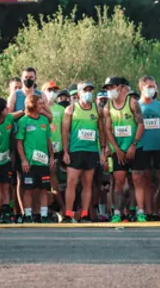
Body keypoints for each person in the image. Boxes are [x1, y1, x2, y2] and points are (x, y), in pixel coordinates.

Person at [62, 81, 106, 222]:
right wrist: (65, 152)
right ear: (79, 93)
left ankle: (85, 213)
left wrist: (103, 150)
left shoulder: (97, 109)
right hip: (75, 150)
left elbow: (102, 131)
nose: (88, 93)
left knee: (87, 183)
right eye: (85, 90)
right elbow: (64, 132)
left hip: (91, 151)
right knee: (71, 182)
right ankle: (69, 214)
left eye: (90, 90)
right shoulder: (71, 109)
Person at [102, 77, 144, 223]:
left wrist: (133, 145)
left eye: (111, 87)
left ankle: (140, 212)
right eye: (106, 88)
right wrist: (116, 149)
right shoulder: (107, 107)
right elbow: (108, 129)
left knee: (137, 180)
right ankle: (117, 212)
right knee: (118, 181)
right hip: (118, 150)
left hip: (135, 148)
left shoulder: (132, 102)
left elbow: (140, 124)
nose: (109, 91)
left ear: (120, 87)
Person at [133, 76, 160, 222]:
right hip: (143, 148)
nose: (152, 89)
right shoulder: (136, 106)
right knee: (146, 180)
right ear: (141, 87)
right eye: (149, 86)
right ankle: (148, 212)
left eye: (153, 86)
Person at [16, 94, 54, 223]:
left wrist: (52, 156)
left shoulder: (44, 120)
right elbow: (19, 142)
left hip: (43, 162)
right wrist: (23, 160)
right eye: (40, 104)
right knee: (28, 190)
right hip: (30, 162)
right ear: (32, 105)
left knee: (44, 189)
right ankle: (27, 215)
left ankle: (43, 215)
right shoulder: (23, 121)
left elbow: (49, 140)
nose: (42, 106)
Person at [49, 89, 72, 220]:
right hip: (49, 150)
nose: (63, 100)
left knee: (71, 181)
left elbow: (66, 131)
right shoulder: (44, 108)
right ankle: (58, 209)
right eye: (61, 97)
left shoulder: (65, 110)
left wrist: (66, 150)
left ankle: (69, 210)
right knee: (53, 183)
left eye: (66, 98)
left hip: (65, 149)